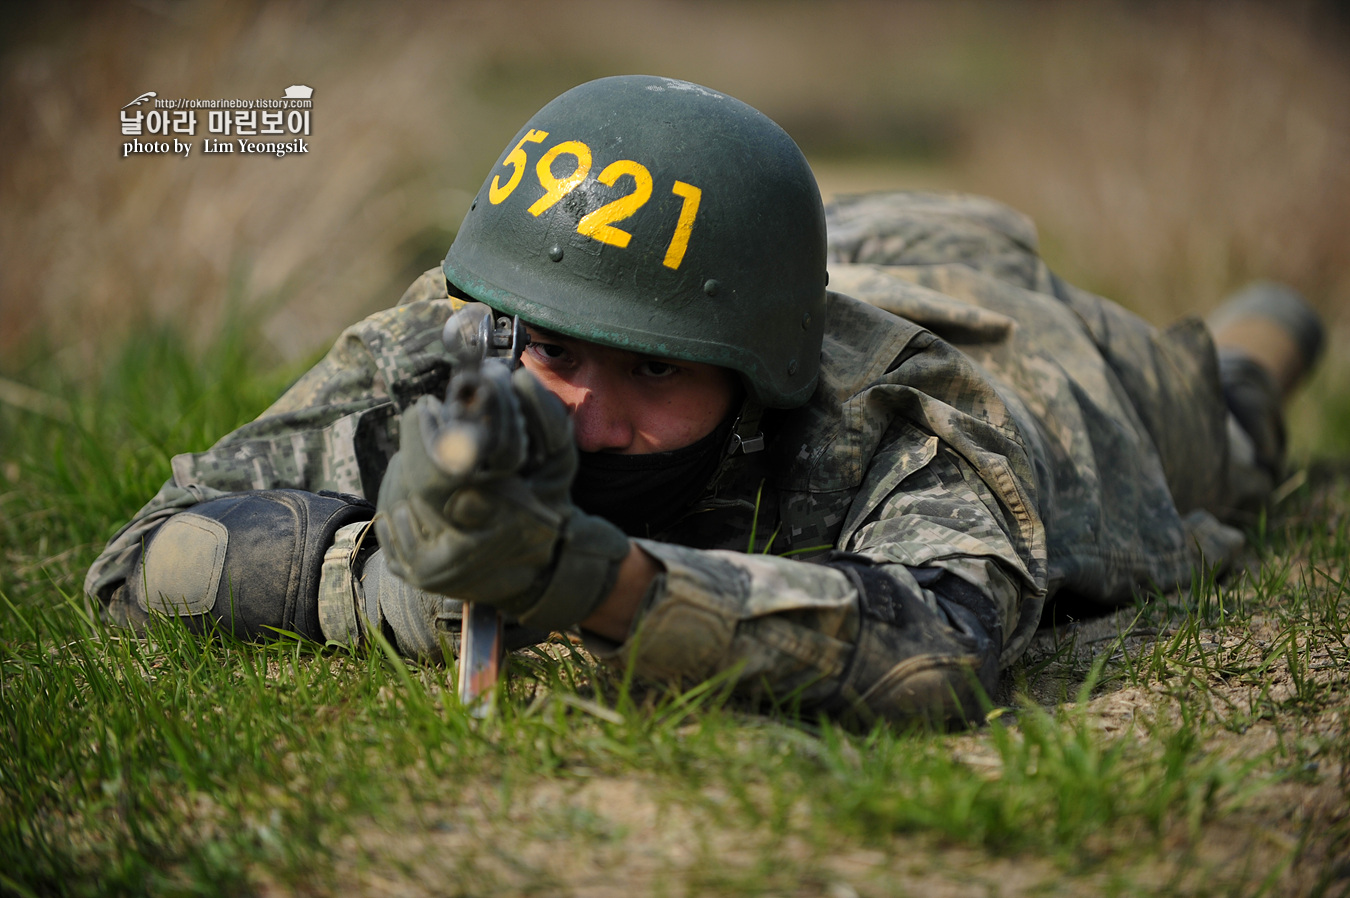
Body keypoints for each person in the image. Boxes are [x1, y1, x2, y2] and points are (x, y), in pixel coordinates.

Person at [84, 75, 1323, 726]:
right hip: (769, 254)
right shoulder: (472, 335)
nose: (581, 414)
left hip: (1039, 343)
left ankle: (1268, 341)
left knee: (1223, 421)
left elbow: (936, 652)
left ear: (760, 383)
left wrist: (591, 585)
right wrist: (395, 579)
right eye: (557, 356)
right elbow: (144, 558)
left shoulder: (911, 410)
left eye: (654, 373)